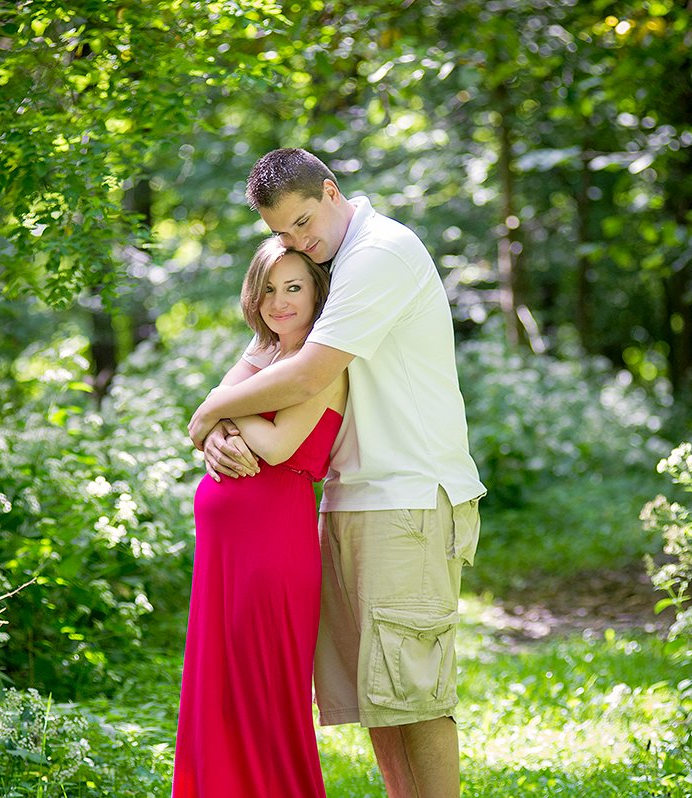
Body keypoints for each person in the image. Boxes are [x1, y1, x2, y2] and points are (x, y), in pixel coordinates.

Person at [188, 148, 485, 798]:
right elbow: (258, 371)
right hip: (347, 497)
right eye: (281, 234)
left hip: (405, 495)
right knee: (375, 697)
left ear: (330, 190)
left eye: (302, 222)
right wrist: (218, 435)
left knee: (414, 691)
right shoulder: (318, 274)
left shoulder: (378, 253)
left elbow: (306, 375)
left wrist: (207, 414)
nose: (296, 240)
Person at [172, 236, 347, 798]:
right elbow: (200, 424)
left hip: (275, 545)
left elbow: (274, 445)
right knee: (219, 686)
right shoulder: (264, 350)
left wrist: (221, 409)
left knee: (265, 693)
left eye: (294, 287)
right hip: (224, 553)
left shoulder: (321, 366)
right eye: (269, 288)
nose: (280, 301)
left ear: (317, 292)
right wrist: (216, 421)